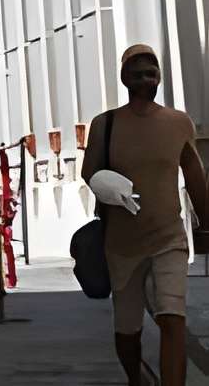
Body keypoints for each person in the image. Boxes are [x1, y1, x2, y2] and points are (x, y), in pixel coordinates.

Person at [82, 45, 209, 386]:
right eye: (136, 73)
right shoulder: (104, 124)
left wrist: (208, 224)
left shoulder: (178, 123)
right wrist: (107, 186)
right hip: (122, 247)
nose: (144, 78)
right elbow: (89, 172)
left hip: (168, 239)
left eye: (150, 72)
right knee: (127, 334)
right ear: (124, 78)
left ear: (159, 78)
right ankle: (138, 379)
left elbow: (196, 179)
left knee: (173, 319)